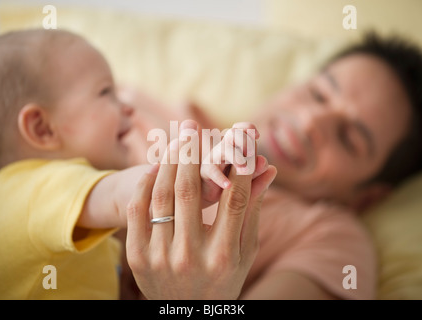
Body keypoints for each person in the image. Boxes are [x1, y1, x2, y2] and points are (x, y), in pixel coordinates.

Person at [120, 31, 422, 299]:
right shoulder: (148, 110)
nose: (309, 122)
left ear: (367, 196)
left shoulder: (331, 242)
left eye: (348, 139)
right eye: (318, 94)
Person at [0, 29, 276, 299]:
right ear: (42, 129)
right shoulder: (35, 189)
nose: (128, 107)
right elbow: (122, 195)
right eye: (105, 92)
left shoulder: (37, 207)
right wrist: (202, 174)